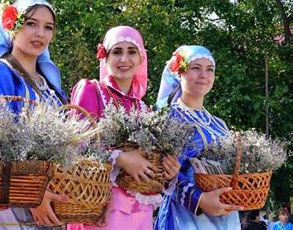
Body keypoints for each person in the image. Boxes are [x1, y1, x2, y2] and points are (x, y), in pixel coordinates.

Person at [69, 26, 180, 230]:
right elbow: (76, 144)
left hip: (141, 212)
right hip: (100, 207)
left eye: (131, 52)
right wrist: (120, 158)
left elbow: (150, 162)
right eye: (117, 52)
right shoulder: (91, 90)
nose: (124, 59)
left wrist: (168, 170)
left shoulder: (144, 108)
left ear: (141, 59)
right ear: (105, 56)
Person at [0, 0, 68, 229]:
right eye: (31, 24)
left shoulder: (51, 88)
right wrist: (31, 193)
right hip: (5, 207)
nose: (40, 34)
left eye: (48, 27)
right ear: (11, 25)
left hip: (47, 208)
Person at [154, 45, 243, 230]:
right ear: (179, 73)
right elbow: (165, 174)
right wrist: (200, 199)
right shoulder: (169, 117)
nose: (204, 75)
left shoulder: (220, 124)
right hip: (186, 217)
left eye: (209, 69)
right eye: (196, 68)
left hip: (225, 217)